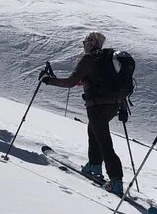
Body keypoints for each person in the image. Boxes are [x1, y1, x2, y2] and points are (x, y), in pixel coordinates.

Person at [42, 31, 128, 196]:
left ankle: (116, 181)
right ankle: (95, 164)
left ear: (92, 42)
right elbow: (114, 84)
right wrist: (122, 107)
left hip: (97, 106)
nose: (84, 44)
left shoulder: (89, 59)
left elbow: (70, 82)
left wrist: (48, 80)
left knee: (104, 141)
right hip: (113, 105)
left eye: (85, 42)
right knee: (94, 130)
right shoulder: (108, 60)